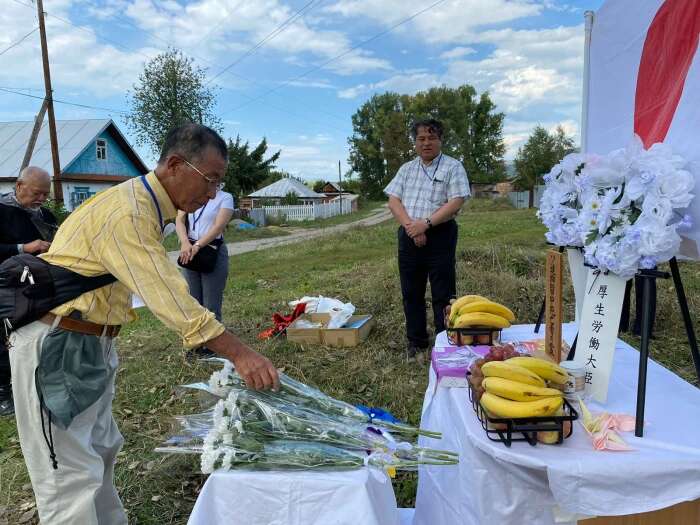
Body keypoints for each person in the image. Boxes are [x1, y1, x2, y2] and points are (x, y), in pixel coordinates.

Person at [9, 123, 279, 525]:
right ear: (174, 164)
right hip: (57, 349)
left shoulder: (146, 206)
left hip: (88, 343)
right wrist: (242, 354)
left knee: (100, 451)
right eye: (211, 180)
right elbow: (172, 299)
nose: (212, 193)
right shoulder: (129, 212)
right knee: (69, 478)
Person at [384, 119, 470, 359]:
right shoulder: (407, 169)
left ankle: (444, 341)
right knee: (411, 292)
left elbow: (456, 201)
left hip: (440, 234)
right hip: (409, 234)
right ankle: (417, 342)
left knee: (443, 292)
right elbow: (393, 200)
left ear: (440, 140)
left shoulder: (453, 167)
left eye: (431, 138)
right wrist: (412, 227)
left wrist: (426, 224)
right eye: (421, 139)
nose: (426, 143)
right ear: (415, 143)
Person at [0, 166, 57, 416]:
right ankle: (3, 393)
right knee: (4, 340)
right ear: (19, 185)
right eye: (37, 193)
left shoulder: (45, 215)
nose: (42, 199)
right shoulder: (1, 211)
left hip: (37, 285)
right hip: (5, 285)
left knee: (36, 335)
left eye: (45, 194)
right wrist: (23, 248)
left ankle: (36, 383)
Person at [176, 183, 234, 357]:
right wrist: (185, 242)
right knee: (193, 302)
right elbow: (179, 219)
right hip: (190, 250)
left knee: (211, 303)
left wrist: (199, 245)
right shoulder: (191, 194)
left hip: (211, 251)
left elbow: (218, 227)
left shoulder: (225, 198)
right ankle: (195, 343)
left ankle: (212, 346)